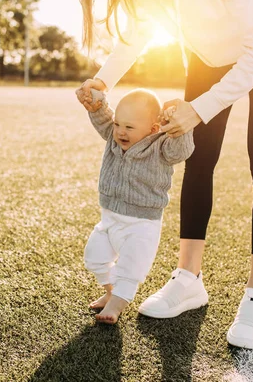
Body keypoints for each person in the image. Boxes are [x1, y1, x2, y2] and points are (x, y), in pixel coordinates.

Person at [75, 0, 253, 349]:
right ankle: (188, 277)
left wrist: (199, 109)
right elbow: (140, 29)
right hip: (209, 55)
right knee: (198, 157)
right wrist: (103, 80)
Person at [80, 88, 195, 324]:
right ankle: (111, 291)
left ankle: (116, 306)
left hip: (142, 224)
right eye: (118, 124)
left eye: (129, 127)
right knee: (94, 257)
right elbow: (104, 121)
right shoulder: (114, 138)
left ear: (153, 128)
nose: (121, 131)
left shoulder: (161, 146)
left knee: (130, 269)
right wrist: (98, 105)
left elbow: (182, 150)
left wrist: (179, 127)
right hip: (110, 219)